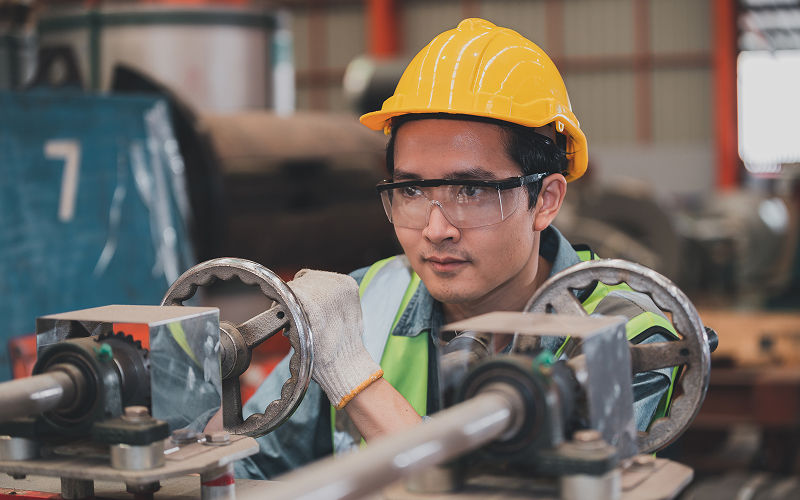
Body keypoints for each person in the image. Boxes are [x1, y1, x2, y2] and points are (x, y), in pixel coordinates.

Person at [234, 18, 677, 479]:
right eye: (411, 190)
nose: (436, 229)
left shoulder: (627, 337)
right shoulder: (362, 304)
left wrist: (354, 380)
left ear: (545, 200)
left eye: (471, 191)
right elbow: (250, 466)